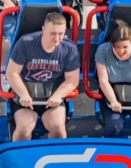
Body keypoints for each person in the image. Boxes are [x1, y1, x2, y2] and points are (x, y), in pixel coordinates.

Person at [6, 12, 80, 140]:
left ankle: (56, 157)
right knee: (24, 127)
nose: (57, 38)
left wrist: (58, 95)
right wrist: (23, 94)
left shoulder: (69, 49)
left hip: (52, 97)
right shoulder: (26, 43)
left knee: (57, 127)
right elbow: (12, 73)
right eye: (52, 33)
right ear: (43, 29)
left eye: (60, 34)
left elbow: (72, 79)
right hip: (26, 96)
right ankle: (22, 158)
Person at [95, 21, 131, 139]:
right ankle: (111, 153)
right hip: (112, 90)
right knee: (114, 126)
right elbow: (103, 80)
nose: (121, 51)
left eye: (125, 47)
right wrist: (113, 101)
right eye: (117, 47)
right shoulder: (103, 51)